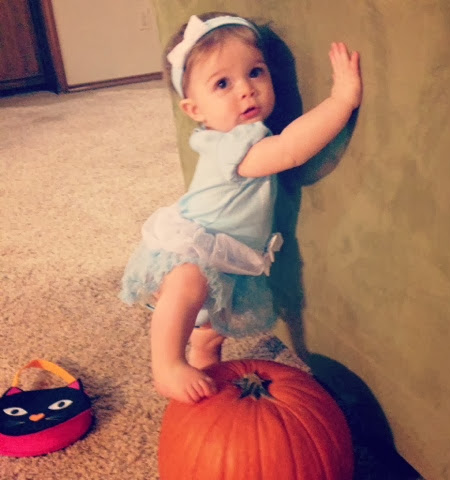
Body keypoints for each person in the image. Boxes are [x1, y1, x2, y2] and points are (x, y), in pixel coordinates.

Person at [120, 12, 362, 403]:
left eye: (255, 72)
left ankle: (203, 362)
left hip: (230, 256)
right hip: (198, 247)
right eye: (223, 84)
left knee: (211, 329)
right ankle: (166, 365)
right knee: (187, 285)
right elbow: (291, 149)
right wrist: (341, 100)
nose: (246, 90)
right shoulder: (232, 144)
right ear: (195, 111)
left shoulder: (243, 132)